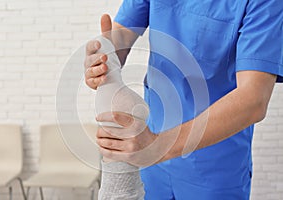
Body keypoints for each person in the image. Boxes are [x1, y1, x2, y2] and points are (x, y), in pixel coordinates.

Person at [84, 1, 283, 199]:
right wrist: (104, 59)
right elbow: (121, 35)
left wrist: (159, 147)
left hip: (213, 169)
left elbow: (253, 99)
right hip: (151, 160)